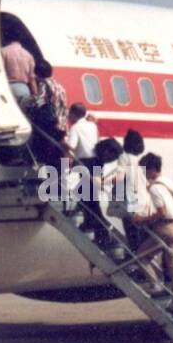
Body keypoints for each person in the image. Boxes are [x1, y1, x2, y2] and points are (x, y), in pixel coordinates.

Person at [132, 153, 173, 311]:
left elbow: (162, 212)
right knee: (172, 265)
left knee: (141, 256)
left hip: (165, 228)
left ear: (152, 170)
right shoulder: (170, 183)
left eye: (145, 171)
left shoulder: (155, 188)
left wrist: (143, 220)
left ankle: (156, 284)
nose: (144, 175)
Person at [65, 104, 108, 243]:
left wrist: (61, 143)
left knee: (89, 200)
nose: (68, 117)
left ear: (73, 115)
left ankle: (102, 231)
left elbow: (71, 146)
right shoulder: (92, 125)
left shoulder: (76, 128)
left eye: (69, 114)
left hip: (86, 164)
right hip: (97, 162)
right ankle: (91, 224)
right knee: (89, 197)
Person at [28, 60, 68, 170]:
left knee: (47, 153)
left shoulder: (44, 85)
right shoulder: (59, 86)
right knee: (57, 154)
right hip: (61, 125)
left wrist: (27, 103)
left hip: (51, 124)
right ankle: (60, 179)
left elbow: (39, 101)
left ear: (37, 73)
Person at [1, 38, 36, 104]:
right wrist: (35, 94)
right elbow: (32, 79)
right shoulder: (28, 55)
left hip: (8, 88)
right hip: (24, 89)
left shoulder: (3, 51)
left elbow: (0, 73)